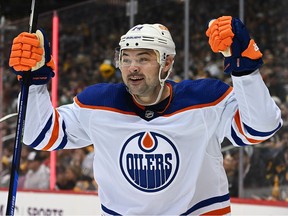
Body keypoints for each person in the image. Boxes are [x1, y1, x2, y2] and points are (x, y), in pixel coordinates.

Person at [8, 16, 282, 215]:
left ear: (168, 63)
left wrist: (244, 71)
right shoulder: (99, 103)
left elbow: (261, 127)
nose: (133, 68)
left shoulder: (204, 100)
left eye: (144, 58)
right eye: (126, 59)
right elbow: (40, 133)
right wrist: (34, 82)